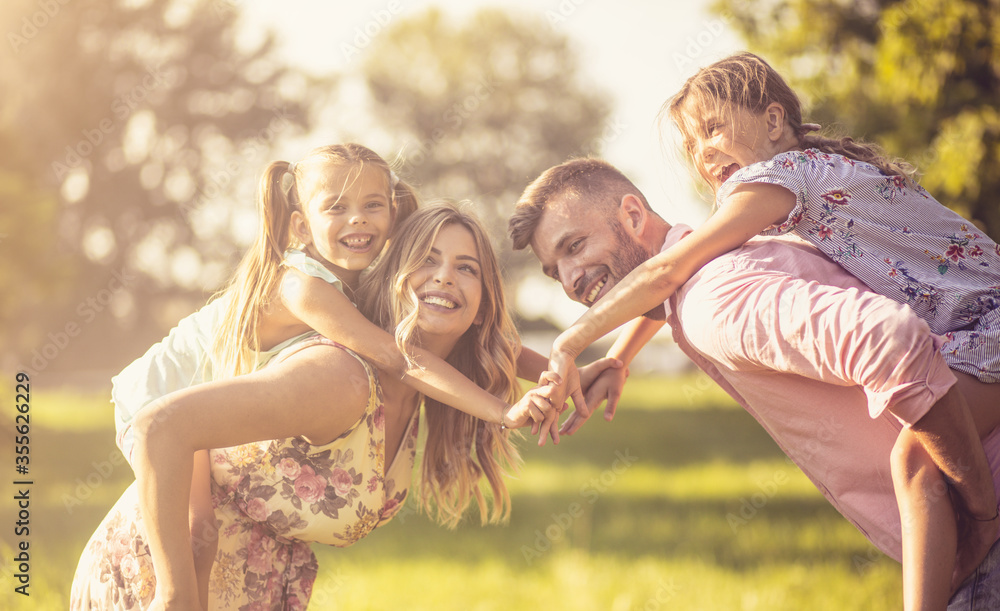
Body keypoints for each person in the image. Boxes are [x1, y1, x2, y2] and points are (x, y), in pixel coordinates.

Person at [527, 51, 1000, 610]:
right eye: (691, 145)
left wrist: (569, 342)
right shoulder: (786, 191)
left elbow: (669, 272)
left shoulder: (772, 184)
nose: (703, 154)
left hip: (987, 322)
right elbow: (674, 280)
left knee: (917, 459)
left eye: (713, 130)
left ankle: (982, 518)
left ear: (773, 122)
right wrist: (622, 358)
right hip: (974, 325)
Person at [107, 144, 573, 605]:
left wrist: (564, 368)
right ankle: (171, 600)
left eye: (372, 206)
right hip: (158, 398)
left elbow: (484, 335)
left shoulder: (359, 288)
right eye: (336, 207)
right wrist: (501, 410)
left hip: (195, 420)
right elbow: (399, 357)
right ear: (301, 226)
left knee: (201, 539)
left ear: (392, 214)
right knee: (197, 542)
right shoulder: (303, 286)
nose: (358, 219)